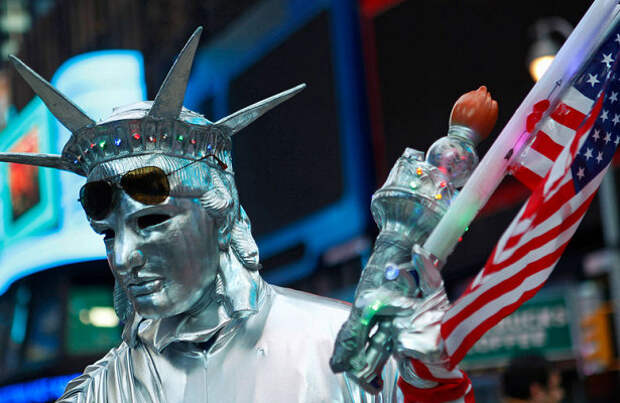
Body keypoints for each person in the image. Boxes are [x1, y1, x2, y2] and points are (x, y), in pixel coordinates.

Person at [0, 27, 486, 402]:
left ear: (220, 214)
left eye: (151, 222)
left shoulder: (333, 349)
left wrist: (428, 374)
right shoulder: (102, 392)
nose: (125, 258)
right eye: (109, 235)